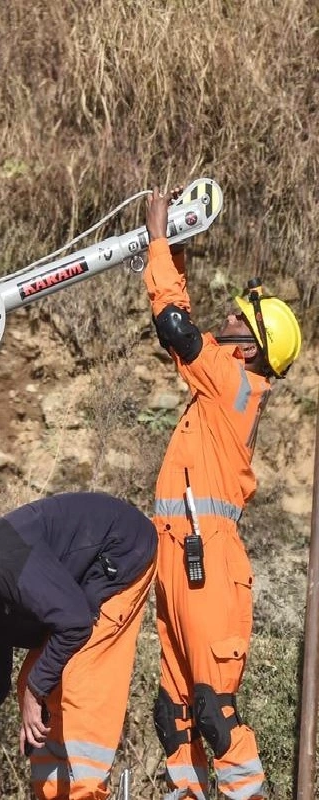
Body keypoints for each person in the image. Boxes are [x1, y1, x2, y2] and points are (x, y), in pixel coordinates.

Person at [143, 187, 301, 800]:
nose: (226, 319)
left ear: (252, 346)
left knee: (213, 711)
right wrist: (176, 247)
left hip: (208, 563)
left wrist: (160, 238)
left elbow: (173, 323)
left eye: (237, 318)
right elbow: (182, 327)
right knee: (173, 715)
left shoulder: (234, 382)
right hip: (181, 558)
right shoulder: (225, 383)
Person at [0, 492, 156, 800]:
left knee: (77, 681)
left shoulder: (0, 568)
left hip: (120, 551)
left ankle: (87, 792)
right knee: (31, 681)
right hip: (71, 596)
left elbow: (76, 622)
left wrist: (36, 690)